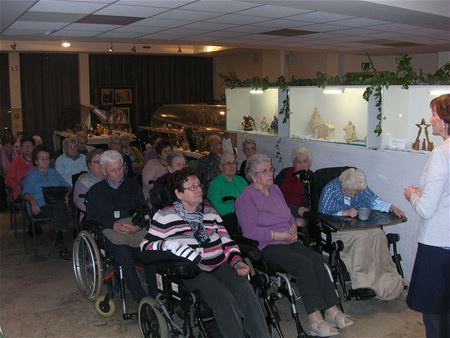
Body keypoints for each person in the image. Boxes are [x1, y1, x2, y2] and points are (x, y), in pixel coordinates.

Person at [140, 168, 270, 338]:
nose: (198, 189)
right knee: (223, 298)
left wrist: (237, 262)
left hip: (219, 263)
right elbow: (146, 246)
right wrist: (169, 245)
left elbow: (226, 240)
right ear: (179, 194)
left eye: (199, 185)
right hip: (193, 269)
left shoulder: (209, 211)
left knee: (245, 290)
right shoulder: (165, 215)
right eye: (192, 187)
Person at [235, 154, 353, 337]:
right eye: (264, 171)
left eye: (270, 169)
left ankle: (331, 309)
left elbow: (287, 214)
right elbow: (249, 232)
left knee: (315, 258)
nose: (270, 173)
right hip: (268, 246)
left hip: (288, 239)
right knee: (303, 264)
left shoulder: (275, 190)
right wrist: (279, 234)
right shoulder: (245, 198)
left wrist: (292, 227)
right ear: (253, 176)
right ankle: (314, 320)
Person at [319, 168, 406, 300]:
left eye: (357, 192)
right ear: (344, 186)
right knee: (362, 237)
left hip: (356, 225)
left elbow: (373, 200)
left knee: (377, 233)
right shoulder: (330, 190)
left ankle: (388, 276)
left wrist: (391, 207)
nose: (354, 195)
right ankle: (362, 284)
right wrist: (344, 213)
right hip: (336, 229)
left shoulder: (358, 187)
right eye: (351, 193)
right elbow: (322, 213)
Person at [403, 93, 450, 338]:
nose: (430, 119)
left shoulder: (441, 154)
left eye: (434, 114)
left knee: (433, 312)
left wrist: (412, 194)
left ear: (445, 120)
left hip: (436, 245)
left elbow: (425, 209)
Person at [86, 150, 148, 303]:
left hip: (134, 229)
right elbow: (91, 218)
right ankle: (141, 298)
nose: (118, 173)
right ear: (104, 170)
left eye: (120, 168)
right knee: (124, 253)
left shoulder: (132, 184)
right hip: (110, 233)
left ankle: (157, 293)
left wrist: (137, 226)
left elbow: (143, 209)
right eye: (113, 170)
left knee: (152, 249)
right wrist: (112, 224)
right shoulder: (96, 191)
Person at [22, 145, 71, 259]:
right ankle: (62, 240)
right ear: (35, 161)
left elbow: (67, 186)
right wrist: (33, 202)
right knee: (60, 208)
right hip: (39, 206)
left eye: (47, 158)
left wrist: (67, 195)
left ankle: (60, 242)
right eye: (42, 158)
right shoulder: (31, 175)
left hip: (55, 204)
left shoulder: (54, 172)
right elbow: (25, 193)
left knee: (59, 206)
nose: (45, 161)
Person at [207, 153, 247, 236]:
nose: (232, 166)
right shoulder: (215, 184)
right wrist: (236, 205)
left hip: (245, 216)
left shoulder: (241, 180)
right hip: (228, 221)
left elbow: (250, 199)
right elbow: (215, 209)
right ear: (221, 167)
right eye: (228, 163)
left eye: (234, 163)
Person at [275, 146, 313, 219]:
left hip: (299, 213)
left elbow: (313, 202)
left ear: (309, 163)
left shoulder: (312, 178)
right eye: (298, 162)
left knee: (298, 222)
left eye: (305, 162)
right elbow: (272, 190)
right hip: (280, 208)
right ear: (293, 163)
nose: (302, 165)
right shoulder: (285, 172)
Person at [5, 136, 34, 202]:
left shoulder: (37, 160)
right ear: (21, 148)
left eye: (29, 146)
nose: (26, 148)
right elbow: (8, 180)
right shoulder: (16, 161)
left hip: (36, 189)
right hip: (20, 192)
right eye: (24, 146)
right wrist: (18, 187)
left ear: (34, 147)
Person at [0, 133, 17, 210]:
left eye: (11, 146)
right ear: (3, 145)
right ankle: (3, 205)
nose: (9, 148)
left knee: (16, 182)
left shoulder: (14, 151)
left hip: (12, 174)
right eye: (7, 146)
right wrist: (5, 175)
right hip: (2, 174)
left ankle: (14, 203)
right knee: (1, 183)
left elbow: (17, 165)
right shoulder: (0, 152)